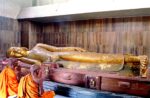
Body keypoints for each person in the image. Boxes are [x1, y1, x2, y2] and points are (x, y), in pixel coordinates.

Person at [6, 43, 148, 77]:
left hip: (66, 55)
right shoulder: (28, 59)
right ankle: (134, 70)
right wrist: (24, 58)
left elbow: (56, 49)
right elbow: (39, 65)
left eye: (15, 48)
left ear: (19, 46)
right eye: (14, 53)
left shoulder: (37, 46)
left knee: (96, 58)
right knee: (96, 67)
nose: (17, 51)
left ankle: (136, 59)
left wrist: (74, 48)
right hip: (61, 64)